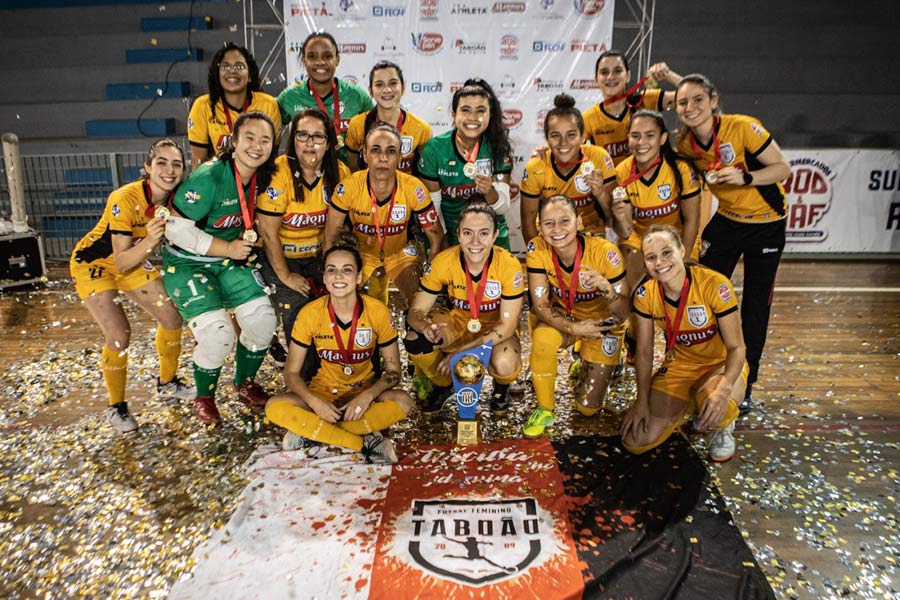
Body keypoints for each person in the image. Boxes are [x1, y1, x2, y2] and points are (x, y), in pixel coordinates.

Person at [674, 74, 791, 414]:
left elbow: (782, 169)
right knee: (697, 289)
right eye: (683, 102)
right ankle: (699, 366)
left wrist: (746, 177)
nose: (690, 107)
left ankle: (746, 382)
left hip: (766, 226)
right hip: (727, 221)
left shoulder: (743, 127)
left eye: (698, 100)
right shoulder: (685, 144)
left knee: (755, 307)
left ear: (713, 100)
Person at [70, 139, 194, 433]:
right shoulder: (124, 198)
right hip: (96, 265)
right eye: (161, 162)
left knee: (172, 317)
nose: (169, 169)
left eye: (176, 164)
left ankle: (167, 383)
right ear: (147, 168)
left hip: (133, 260)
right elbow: (122, 261)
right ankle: (117, 407)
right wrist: (151, 240)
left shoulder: (179, 199)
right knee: (119, 334)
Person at [163, 111, 279, 424]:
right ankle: (205, 397)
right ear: (234, 142)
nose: (256, 146)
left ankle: (244, 383)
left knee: (263, 322)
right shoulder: (210, 176)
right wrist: (227, 247)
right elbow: (174, 229)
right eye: (250, 138)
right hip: (187, 263)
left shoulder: (262, 176)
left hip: (230, 261)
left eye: (264, 140)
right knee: (217, 334)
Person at [265, 245, 412, 464]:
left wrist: (367, 396)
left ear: (359, 276)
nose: (339, 276)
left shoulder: (377, 311)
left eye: (347, 269)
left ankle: (315, 432)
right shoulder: (310, 313)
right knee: (274, 407)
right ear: (324, 278)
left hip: (363, 392)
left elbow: (393, 371)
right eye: (331, 270)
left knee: (404, 402)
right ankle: (363, 443)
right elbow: (291, 373)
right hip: (323, 393)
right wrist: (315, 403)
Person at [621, 225, 747, 462]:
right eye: (651, 257)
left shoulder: (714, 285)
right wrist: (641, 400)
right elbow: (645, 352)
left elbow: (737, 348)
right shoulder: (645, 294)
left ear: (682, 250)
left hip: (720, 365)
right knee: (635, 440)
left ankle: (722, 425)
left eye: (666, 252)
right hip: (679, 367)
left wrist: (724, 388)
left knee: (715, 402)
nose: (659, 262)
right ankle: (690, 404)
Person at [522, 195, 630, 438]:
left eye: (564, 221)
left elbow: (624, 312)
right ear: (539, 226)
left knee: (587, 409)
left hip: (602, 324)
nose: (557, 230)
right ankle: (545, 408)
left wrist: (608, 290)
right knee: (542, 340)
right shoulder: (537, 248)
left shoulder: (606, 253)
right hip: (567, 318)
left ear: (579, 222)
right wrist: (574, 329)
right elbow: (540, 305)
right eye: (549, 223)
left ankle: (592, 356)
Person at [405, 202, 524, 415]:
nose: (475, 242)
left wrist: (461, 352)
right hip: (459, 323)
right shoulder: (444, 261)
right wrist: (425, 327)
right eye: (468, 233)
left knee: (505, 362)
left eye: (484, 233)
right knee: (416, 339)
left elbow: (507, 326)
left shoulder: (509, 265)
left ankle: (501, 386)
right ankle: (444, 384)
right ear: (458, 234)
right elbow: (416, 311)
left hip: (496, 331)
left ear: (495, 235)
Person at [257, 108, 350, 377]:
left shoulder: (339, 173)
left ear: (330, 142)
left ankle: (345, 370)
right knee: (297, 306)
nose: (310, 143)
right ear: (292, 139)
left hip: (318, 255)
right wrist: (285, 276)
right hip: (280, 257)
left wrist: (332, 272)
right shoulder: (277, 172)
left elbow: (334, 232)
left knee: (342, 296)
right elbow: (268, 233)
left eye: (318, 136)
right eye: (303, 135)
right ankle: (305, 379)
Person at [324, 123, 444, 306]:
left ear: (400, 157)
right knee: (344, 304)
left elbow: (436, 236)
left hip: (400, 253)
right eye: (375, 150)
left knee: (421, 303)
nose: (382, 158)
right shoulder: (348, 187)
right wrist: (331, 277)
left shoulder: (414, 188)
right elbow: (330, 237)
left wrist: (431, 279)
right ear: (364, 154)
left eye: (391, 151)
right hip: (361, 254)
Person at [610, 109, 701, 292]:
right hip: (639, 238)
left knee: (682, 286)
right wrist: (619, 217)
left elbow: (692, 220)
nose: (641, 142)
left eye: (649, 135)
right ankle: (630, 315)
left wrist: (683, 256)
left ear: (662, 138)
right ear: (628, 138)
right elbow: (625, 231)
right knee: (627, 286)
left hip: (677, 237)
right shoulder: (621, 172)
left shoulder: (680, 169)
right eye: (635, 136)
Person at [417, 79, 513, 248]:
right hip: (450, 232)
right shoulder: (435, 149)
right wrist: (442, 241)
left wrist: (490, 191)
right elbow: (434, 208)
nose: (473, 118)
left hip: (491, 234)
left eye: (481, 111)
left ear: (490, 114)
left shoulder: (498, 146)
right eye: (465, 110)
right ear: (454, 114)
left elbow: (502, 208)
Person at [520, 93, 617, 243]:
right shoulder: (536, 166)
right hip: (552, 235)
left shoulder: (598, 158)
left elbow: (614, 220)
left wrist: (600, 194)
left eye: (571, 135)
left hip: (591, 232)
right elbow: (528, 224)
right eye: (555, 135)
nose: (563, 142)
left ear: (582, 137)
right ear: (547, 138)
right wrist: (538, 257)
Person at [277, 31, 374, 161]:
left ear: (337, 59)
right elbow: (271, 133)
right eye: (312, 56)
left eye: (327, 56)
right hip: (305, 177)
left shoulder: (357, 96)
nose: (320, 62)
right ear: (304, 60)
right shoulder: (289, 97)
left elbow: (374, 136)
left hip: (347, 176)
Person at [188, 42, 282, 168]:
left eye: (239, 66)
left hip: (258, 179)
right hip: (218, 180)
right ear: (217, 74)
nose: (232, 71)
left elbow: (271, 159)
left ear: (249, 76)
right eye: (225, 67)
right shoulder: (202, 106)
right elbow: (198, 164)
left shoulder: (268, 104)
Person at [582, 51, 681, 165]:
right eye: (604, 72)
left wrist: (668, 75)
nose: (610, 77)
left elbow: (694, 95)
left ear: (628, 76)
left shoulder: (644, 100)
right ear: (596, 81)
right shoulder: (587, 120)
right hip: (611, 182)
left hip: (649, 180)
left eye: (617, 71)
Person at [344, 61, 432, 174]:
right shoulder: (357, 124)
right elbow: (353, 170)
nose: (387, 90)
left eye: (393, 83)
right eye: (379, 84)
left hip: (406, 190)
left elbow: (424, 172)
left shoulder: (421, 129)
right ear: (370, 91)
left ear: (403, 87)